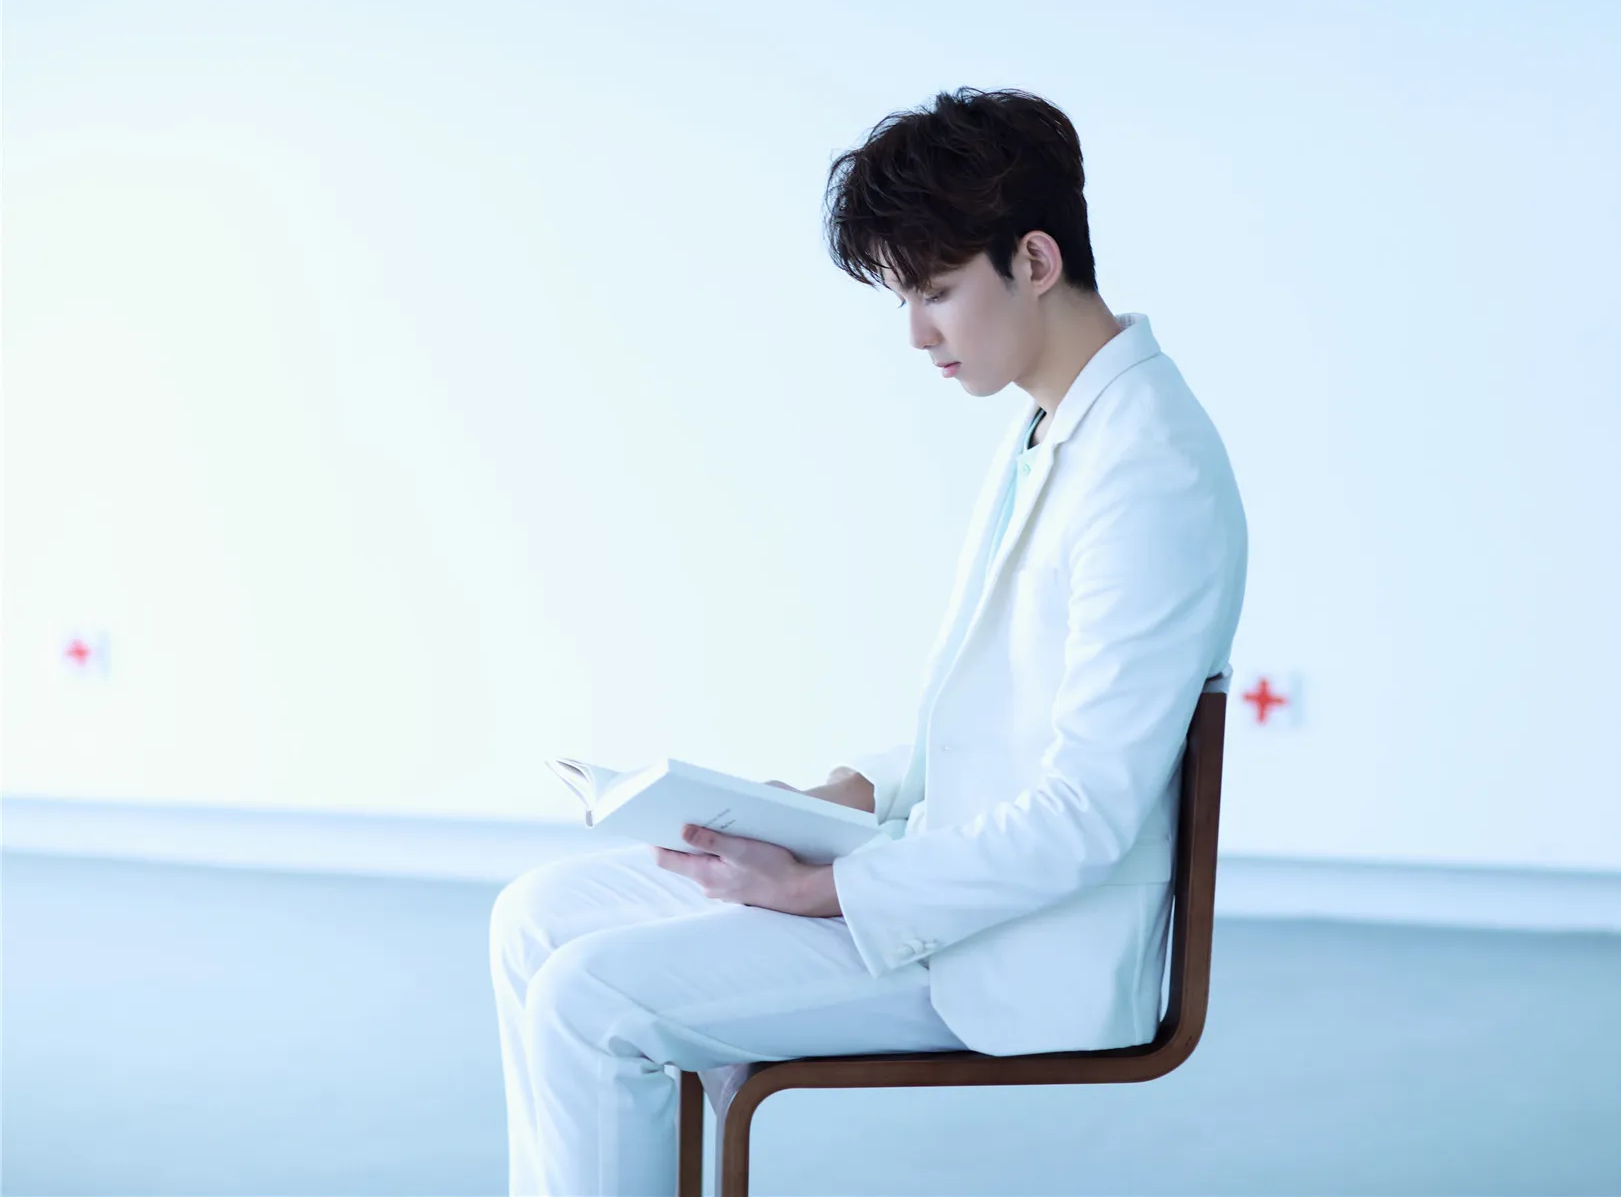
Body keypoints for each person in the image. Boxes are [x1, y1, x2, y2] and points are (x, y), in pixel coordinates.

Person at [490, 86, 1247, 1196]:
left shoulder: (1149, 471)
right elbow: (1003, 720)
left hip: (1015, 950)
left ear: (1035, 260)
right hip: (937, 881)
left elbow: (1086, 816)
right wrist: (843, 797)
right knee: (533, 919)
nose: (917, 335)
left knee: (589, 1000)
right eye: (904, 297)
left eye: (936, 292)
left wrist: (825, 888)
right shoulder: (1051, 428)